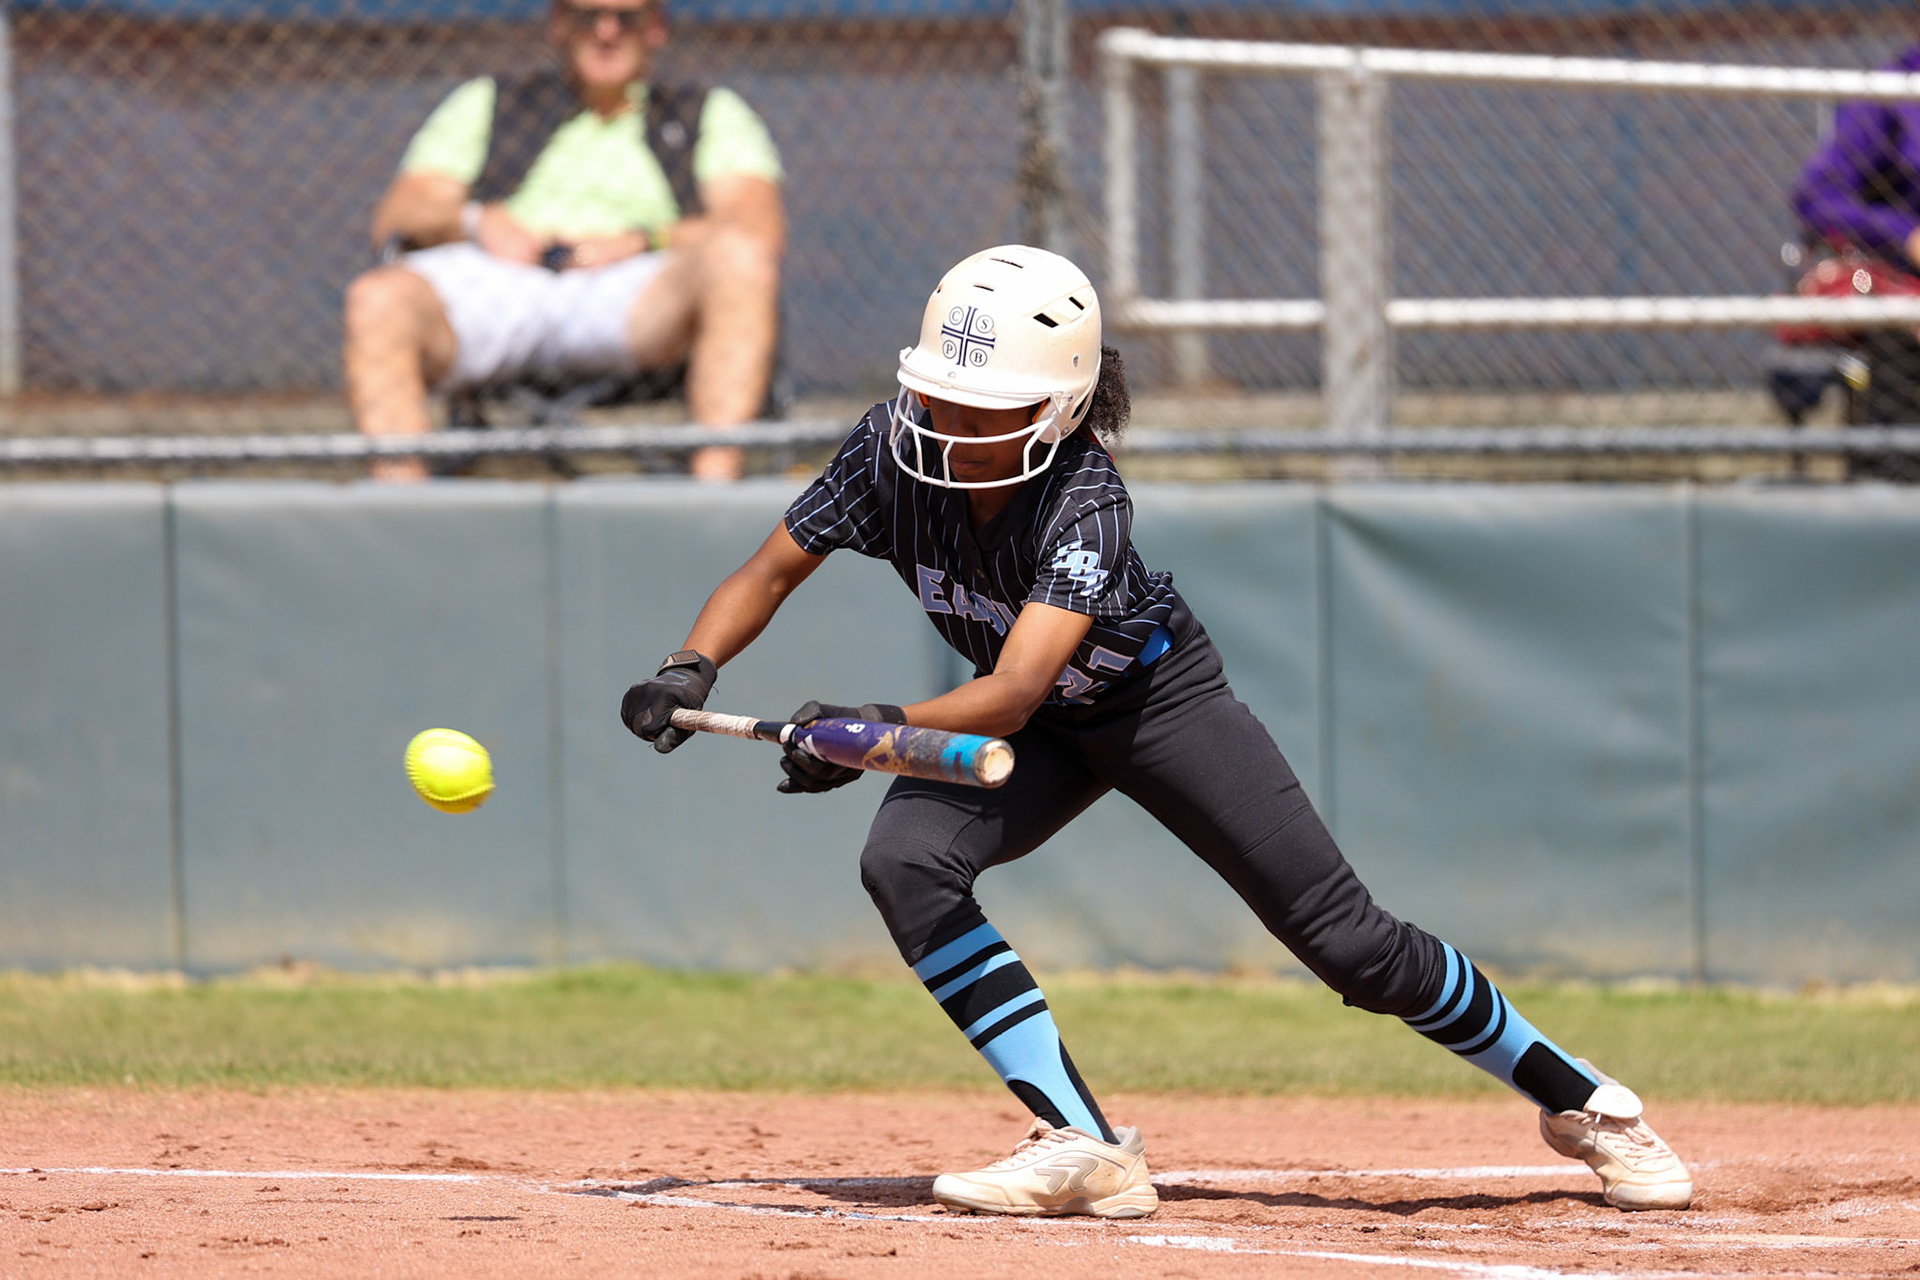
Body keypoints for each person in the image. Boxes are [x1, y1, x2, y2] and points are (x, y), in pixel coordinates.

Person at [619, 245, 1694, 1219]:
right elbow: (768, 569)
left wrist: (869, 729)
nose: (946, 422)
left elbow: (1017, 687)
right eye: (937, 394)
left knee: (1350, 945)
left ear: (1058, 409)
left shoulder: (1087, 499)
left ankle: (1582, 1101)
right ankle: (1085, 1140)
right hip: (1030, 720)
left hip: (1150, 703)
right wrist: (689, 665)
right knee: (905, 861)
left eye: (981, 406)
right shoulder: (889, 452)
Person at [343, 0, 784, 483]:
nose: (607, 33)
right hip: (496, 283)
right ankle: (405, 520)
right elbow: (399, 214)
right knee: (378, 297)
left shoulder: (707, 112)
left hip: (635, 293)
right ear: (559, 24)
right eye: (587, 16)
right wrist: (477, 222)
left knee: (740, 262)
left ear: (655, 28)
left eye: (627, 18)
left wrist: (642, 241)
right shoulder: (489, 101)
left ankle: (710, 510)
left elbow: (754, 227)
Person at [1790, 43, 1920, 480]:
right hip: (1909, 294)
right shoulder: (1893, 92)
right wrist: (1906, 236)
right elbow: (1816, 196)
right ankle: (1896, 492)